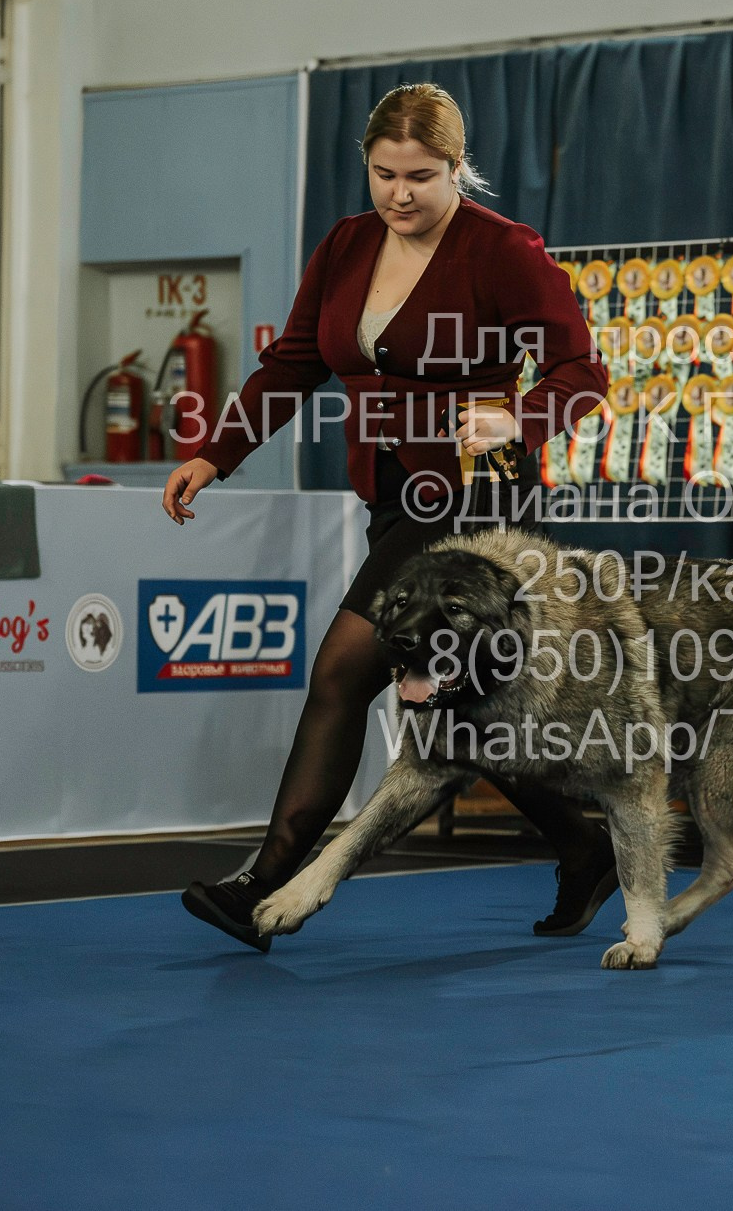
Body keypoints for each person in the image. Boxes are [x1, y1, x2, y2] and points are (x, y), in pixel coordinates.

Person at [165, 83, 615, 952]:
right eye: (383, 175)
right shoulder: (345, 245)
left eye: (420, 176)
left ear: (457, 168)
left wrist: (517, 417)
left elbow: (580, 374)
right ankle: (584, 843)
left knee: (343, 668)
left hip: (477, 505)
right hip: (394, 498)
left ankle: (268, 880)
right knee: (466, 712)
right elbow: (293, 364)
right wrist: (215, 451)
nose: (399, 194)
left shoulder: (503, 250)